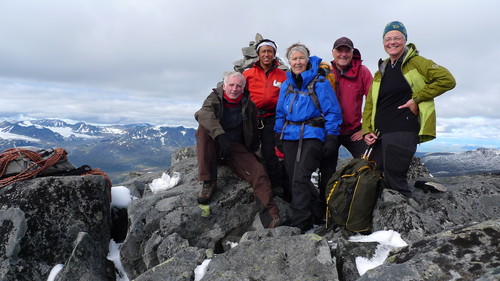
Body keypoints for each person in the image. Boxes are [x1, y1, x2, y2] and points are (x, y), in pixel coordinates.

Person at [362, 21, 456, 198]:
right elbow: (370, 104)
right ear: (383, 43)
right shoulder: (380, 71)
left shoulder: (416, 63)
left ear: (405, 40)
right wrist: (366, 129)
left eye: (397, 38)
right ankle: (379, 223)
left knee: (395, 181)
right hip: (380, 134)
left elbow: (447, 80)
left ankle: (406, 222)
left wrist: (417, 98)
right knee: (375, 177)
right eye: (388, 38)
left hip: (402, 130)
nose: (392, 42)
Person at [195, 71, 280, 228]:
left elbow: (253, 130)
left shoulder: (249, 105)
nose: (234, 89)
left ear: (243, 88)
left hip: (235, 148)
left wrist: (251, 154)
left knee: (258, 171)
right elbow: (203, 114)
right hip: (215, 143)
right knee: (203, 130)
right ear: (224, 85)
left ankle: (271, 216)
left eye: (239, 86)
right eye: (232, 85)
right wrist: (220, 136)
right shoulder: (214, 98)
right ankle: (208, 181)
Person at [274, 43, 342, 232]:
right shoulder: (287, 84)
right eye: (294, 59)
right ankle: (315, 211)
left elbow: (332, 112)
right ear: (289, 62)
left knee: (300, 178)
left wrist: (332, 137)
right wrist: (278, 133)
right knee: (292, 177)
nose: (298, 62)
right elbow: (280, 112)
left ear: (307, 60)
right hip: (289, 135)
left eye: (301, 58)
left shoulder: (320, 83)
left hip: (312, 134)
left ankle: (301, 223)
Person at [318, 37, 373, 198]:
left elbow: (373, 101)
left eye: (346, 51)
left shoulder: (362, 71)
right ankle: (325, 207)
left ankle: (360, 202)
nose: (343, 54)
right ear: (333, 53)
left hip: (353, 131)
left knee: (369, 163)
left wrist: (366, 128)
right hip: (330, 130)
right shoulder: (325, 71)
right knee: (326, 170)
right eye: (339, 50)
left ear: (352, 52)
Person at [242, 39, 288, 198]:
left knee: (270, 153)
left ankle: (276, 186)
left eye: (270, 51)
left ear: (274, 54)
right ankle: (250, 181)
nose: (267, 54)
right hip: (252, 119)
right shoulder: (248, 74)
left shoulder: (282, 76)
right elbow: (242, 95)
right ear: (258, 54)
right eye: (263, 51)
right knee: (248, 149)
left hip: (272, 118)